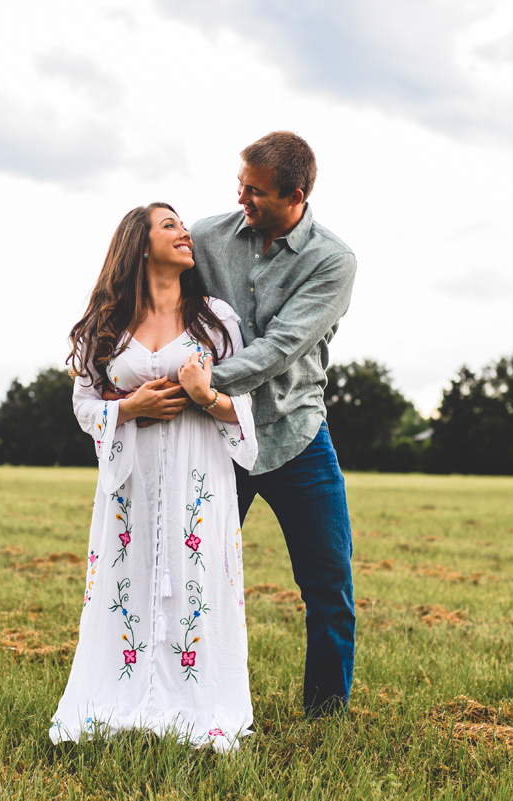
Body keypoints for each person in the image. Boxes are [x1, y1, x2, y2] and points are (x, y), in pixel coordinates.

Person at [50, 202, 258, 751]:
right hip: (131, 480)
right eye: (170, 225)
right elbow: (83, 405)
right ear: (141, 245)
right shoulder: (109, 325)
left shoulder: (216, 319)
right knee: (130, 575)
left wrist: (203, 394)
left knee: (198, 577)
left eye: (183, 225)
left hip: (200, 478)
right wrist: (130, 408)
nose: (185, 232)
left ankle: (197, 698)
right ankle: (119, 692)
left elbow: (248, 404)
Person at [189, 131, 358, 717]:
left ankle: (324, 713)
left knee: (328, 587)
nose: (242, 198)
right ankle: (188, 700)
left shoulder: (332, 261)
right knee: (195, 577)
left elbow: (283, 347)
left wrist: (206, 383)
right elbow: (151, 286)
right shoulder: (206, 237)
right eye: (240, 184)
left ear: (297, 194)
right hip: (214, 438)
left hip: (296, 437)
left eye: (255, 192)